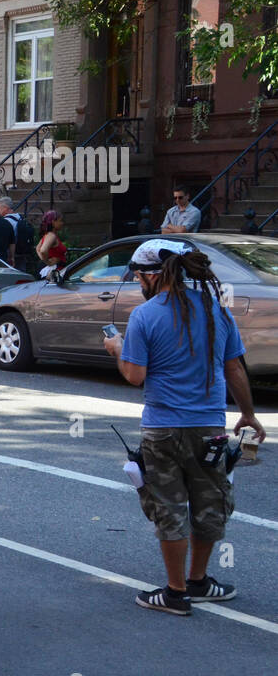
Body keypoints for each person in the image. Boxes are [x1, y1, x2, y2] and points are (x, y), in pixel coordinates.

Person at [104, 239, 266, 615]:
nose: (137, 283)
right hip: (210, 427)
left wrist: (117, 349)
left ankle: (176, 592)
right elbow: (233, 368)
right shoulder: (214, 310)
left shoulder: (146, 316)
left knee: (169, 506)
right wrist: (248, 413)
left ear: (154, 275)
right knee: (210, 503)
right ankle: (199, 580)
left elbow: (134, 376)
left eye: (139, 276)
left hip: (163, 429)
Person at [0, 198, 35, 272]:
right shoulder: (19, 217)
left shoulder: (6, 221)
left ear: (5, 208)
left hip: (12, 252)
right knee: (21, 272)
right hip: (22, 250)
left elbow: (7, 239)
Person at [36, 210, 67, 275]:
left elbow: (37, 248)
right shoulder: (51, 236)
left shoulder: (48, 234)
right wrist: (47, 262)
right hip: (52, 271)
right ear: (53, 222)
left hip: (52, 270)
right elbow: (43, 250)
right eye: (60, 221)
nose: (62, 223)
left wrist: (43, 259)